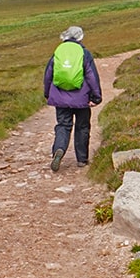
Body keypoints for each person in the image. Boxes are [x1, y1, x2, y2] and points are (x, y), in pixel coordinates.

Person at [43, 26, 102, 171]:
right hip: (82, 99)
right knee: (82, 127)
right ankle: (82, 159)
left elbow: (48, 75)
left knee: (63, 125)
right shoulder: (84, 53)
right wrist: (96, 97)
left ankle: (59, 149)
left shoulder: (58, 51)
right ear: (80, 37)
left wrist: (47, 93)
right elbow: (91, 76)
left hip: (61, 98)